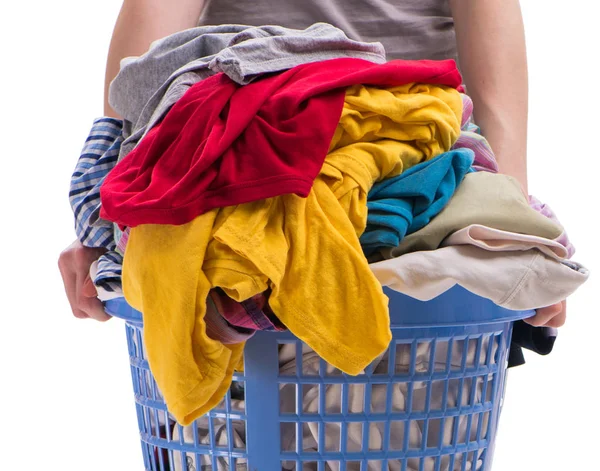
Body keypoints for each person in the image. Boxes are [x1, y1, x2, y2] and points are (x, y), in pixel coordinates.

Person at [58, 0, 566, 327]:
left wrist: (513, 234)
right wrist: (111, 215)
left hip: (413, 170)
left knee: (232, 469)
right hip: (233, 174)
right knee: (402, 459)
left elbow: (141, 66)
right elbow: (145, 70)